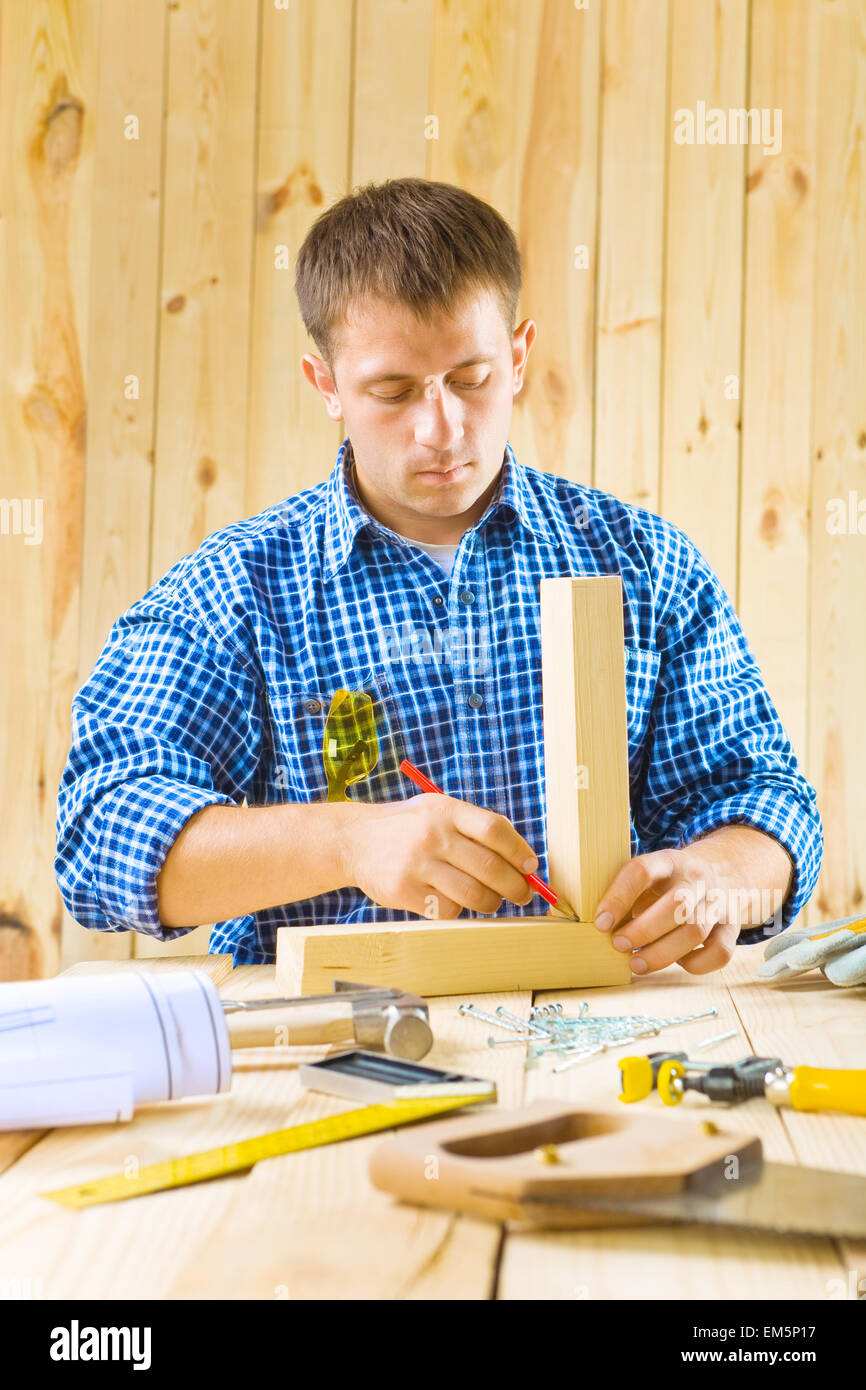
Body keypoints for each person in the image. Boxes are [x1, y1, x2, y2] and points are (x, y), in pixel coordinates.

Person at [55, 177, 822, 972]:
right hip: (346, 1042)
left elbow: (769, 804)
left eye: (472, 378)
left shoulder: (644, 563)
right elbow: (99, 836)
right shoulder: (236, 591)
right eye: (392, 391)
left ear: (519, 357)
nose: (442, 428)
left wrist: (719, 878)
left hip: (608, 1027)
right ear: (328, 387)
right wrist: (348, 842)